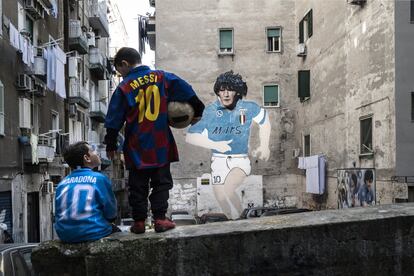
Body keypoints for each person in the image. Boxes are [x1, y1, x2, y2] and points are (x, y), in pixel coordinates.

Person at [104, 47, 204, 234]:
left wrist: (110, 144)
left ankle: (139, 222)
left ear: (125, 64)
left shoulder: (124, 87)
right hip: (160, 142)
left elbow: (113, 118)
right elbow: (187, 90)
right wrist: (198, 110)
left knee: (137, 185)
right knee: (161, 183)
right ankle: (160, 219)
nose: (121, 76)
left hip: (136, 145)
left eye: (120, 71)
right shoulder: (162, 77)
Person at [186, 71, 271, 219]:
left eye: (229, 89)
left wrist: (264, 146)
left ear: (237, 92)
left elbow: (265, 122)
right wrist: (215, 144)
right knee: (220, 195)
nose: (225, 94)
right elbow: (191, 136)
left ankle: (240, 219)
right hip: (218, 160)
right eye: (222, 90)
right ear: (218, 92)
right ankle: (231, 219)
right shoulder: (211, 111)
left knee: (228, 188)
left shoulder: (249, 107)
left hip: (240, 159)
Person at [54, 142, 119, 243]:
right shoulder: (99, 179)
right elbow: (111, 213)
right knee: (117, 232)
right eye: (93, 150)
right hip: (92, 232)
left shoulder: (62, 183)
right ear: (87, 158)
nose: (97, 152)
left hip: (65, 235)